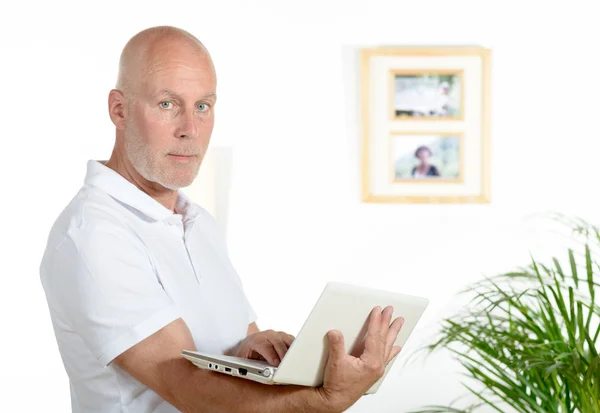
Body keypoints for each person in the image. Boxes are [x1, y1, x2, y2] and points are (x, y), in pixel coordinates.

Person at [39, 25, 405, 413]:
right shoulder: (94, 235)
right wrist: (322, 400)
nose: (190, 130)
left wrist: (255, 350)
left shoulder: (196, 222)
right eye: (168, 104)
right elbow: (186, 386)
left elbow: (235, 345)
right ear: (119, 109)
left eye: (203, 106)